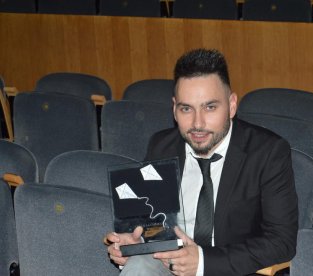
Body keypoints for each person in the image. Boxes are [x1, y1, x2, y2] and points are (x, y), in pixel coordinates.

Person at [106, 48, 298, 276]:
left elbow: (282, 242)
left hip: (233, 270)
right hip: (169, 265)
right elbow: (148, 222)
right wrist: (132, 242)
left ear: (232, 105)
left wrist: (203, 262)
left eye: (210, 107)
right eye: (186, 109)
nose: (198, 123)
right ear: (174, 109)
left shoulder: (268, 153)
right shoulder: (161, 146)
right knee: (137, 266)